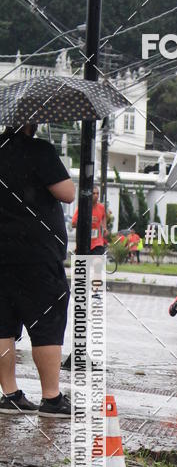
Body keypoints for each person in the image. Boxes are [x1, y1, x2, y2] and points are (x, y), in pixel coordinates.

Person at [0, 123, 75, 417]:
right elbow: (67, 193)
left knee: (2, 325)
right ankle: (52, 398)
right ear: (31, 121)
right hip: (37, 254)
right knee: (47, 325)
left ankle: (10, 394)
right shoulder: (39, 150)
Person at [72, 184, 107, 254]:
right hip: (84, 242)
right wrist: (87, 221)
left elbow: (104, 217)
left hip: (97, 242)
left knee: (97, 262)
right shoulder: (82, 207)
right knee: (84, 264)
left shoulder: (101, 207)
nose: (96, 195)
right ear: (90, 195)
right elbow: (73, 224)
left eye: (97, 193)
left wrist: (104, 227)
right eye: (94, 193)